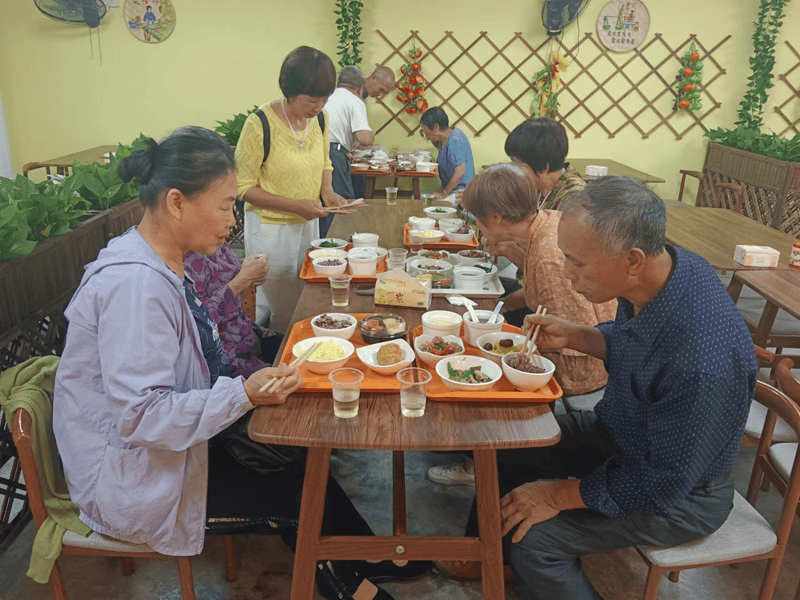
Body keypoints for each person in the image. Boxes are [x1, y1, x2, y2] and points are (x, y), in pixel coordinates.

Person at [53, 126, 426, 600]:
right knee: (299, 492)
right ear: (176, 202)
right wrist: (244, 393)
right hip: (135, 477)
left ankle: (364, 558)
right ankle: (360, 578)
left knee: (301, 461)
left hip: (164, 451)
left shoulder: (160, 258)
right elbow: (142, 416)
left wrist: (245, 386)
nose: (234, 219)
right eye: (228, 204)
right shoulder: (136, 287)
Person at [437, 176, 757, 600]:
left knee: (536, 540)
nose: (567, 274)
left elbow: (663, 481)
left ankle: (519, 558)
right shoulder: (672, 270)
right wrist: (576, 335)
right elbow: (635, 343)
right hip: (621, 436)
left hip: (682, 496)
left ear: (633, 259)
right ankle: (492, 558)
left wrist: (559, 493)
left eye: (578, 263)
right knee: (506, 445)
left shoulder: (702, 363)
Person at [426, 164, 616, 487]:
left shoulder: (546, 252)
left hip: (580, 374)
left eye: (478, 219)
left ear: (497, 218)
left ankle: (484, 462)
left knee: (480, 370)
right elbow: (542, 291)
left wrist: (516, 362)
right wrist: (511, 252)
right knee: (479, 347)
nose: (477, 226)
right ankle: (473, 449)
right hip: (567, 355)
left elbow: (581, 332)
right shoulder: (545, 225)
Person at [235, 46, 347, 333]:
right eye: (313, 99)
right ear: (289, 92)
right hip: (271, 227)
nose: (319, 106)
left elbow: (324, 162)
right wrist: (296, 205)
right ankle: (275, 357)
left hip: (307, 222)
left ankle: (302, 348)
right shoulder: (259, 124)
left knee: (305, 290)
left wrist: (328, 192)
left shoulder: (320, 119)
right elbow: (242, 187)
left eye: (325, 99)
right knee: (277, 302)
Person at [483, 117, 586, 327]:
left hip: (559, 317)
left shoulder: (575, 203)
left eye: (518, 165)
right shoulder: (539, 189)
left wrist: (506, 305)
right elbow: (537, 265)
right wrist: (507, 248)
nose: (513, 171)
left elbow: (559, 278)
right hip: (533, 292)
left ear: (544, 168)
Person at [321, 66, 375, 235]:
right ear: (360, 88)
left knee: (325, 203)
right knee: (342, 205)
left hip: (319, 152)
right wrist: (372, 136)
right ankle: (340, 245)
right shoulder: (354, 101)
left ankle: (325, 243)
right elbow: (365, 139)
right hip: (333, 155)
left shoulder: (326, 96)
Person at [351, 65, 396, 198]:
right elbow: (366, 139)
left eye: (385, 93)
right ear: (374, 78)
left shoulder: (362, 98)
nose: (380, 95)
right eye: (381, 90)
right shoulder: (355, 95)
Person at [419, 107, 474, 205]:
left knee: (430, 204)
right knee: (417, 197)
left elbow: (460, 171)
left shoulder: (456, 140)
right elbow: (439, 144)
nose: (424, 133)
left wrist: (444, 193)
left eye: (424, 128)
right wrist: (426, 135)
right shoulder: (445, 136)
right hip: (449, 189)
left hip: (461, 192)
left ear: (436, 127)